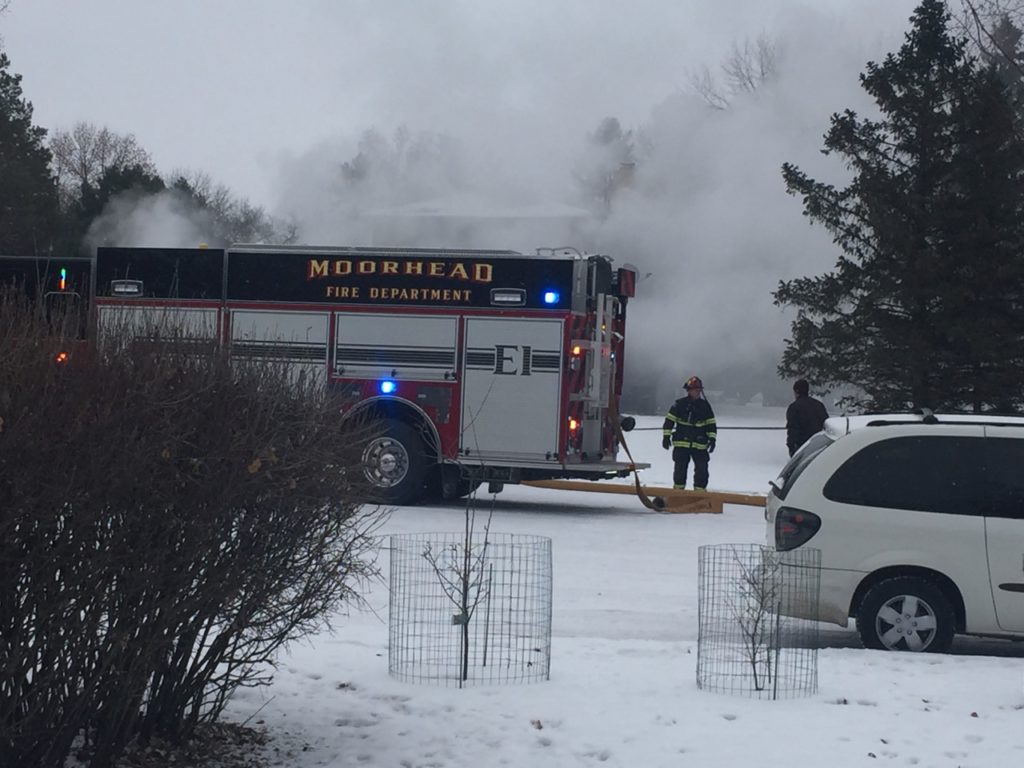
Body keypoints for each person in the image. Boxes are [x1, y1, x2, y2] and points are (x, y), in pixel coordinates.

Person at [662, 375, 717, 491]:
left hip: (700, 444)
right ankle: (678, 492)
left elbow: (711, 424)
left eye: (699, 390)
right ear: (689, 390)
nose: (698, 392)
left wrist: (712, 439)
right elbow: (669, 421)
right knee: (680, 470)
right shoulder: (679, 404)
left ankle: (699, 493)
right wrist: (666, 437)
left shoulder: (705, 406)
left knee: (702, 470)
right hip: (681, 443)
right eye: (695, 390)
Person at [786, 378, 829, 457]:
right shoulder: (819, 405)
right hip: (818, 445)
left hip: (801, 445)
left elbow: (792, 428)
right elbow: (826, 424)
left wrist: (791, 446)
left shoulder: (794, 407)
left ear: (796, 391)